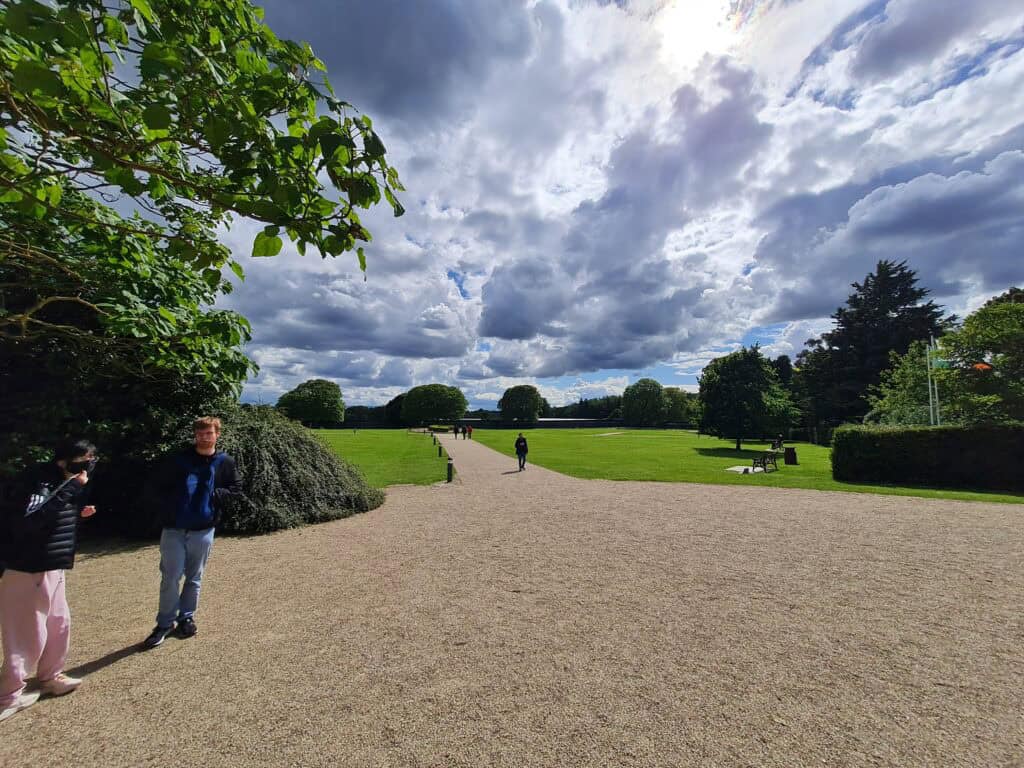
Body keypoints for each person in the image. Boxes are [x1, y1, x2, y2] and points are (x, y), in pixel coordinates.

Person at [0, 438, 98, 722]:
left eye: (91, 459)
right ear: (63, 460)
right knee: (27, 634)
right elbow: (29, 521)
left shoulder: (64, 482)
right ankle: (8, 696)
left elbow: (52, 519)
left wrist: (77, 515)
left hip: (52, 565)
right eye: (83, 459)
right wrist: (71, 491)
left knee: (59, 623)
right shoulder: (39, 482)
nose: (88, 465)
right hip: (28, 566)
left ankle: (50, 676)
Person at [142, 417, 242, 649]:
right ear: (195, 435)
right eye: (200, 433)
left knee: (194, 577)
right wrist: (170, 504)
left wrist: (214, 496)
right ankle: (164, 623)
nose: (204, 437)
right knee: (170, 576)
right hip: (174, 527)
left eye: (209, 433)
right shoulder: (178, 460)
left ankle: (186, 616)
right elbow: (157, 486)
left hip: (204, 527)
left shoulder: (225, 462)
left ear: (217, 434)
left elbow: (236, 488)